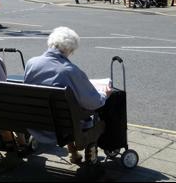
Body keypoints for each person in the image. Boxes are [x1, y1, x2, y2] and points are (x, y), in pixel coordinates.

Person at [24, 26, 111, 165]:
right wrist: (104, 95)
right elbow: (92, 102)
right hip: (62, 127)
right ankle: (90, 155)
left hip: (35, 122)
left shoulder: (32, 63)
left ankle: (74, 153)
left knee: (65, 110)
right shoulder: (69, 70)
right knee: (93, 119)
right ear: (70, 49)